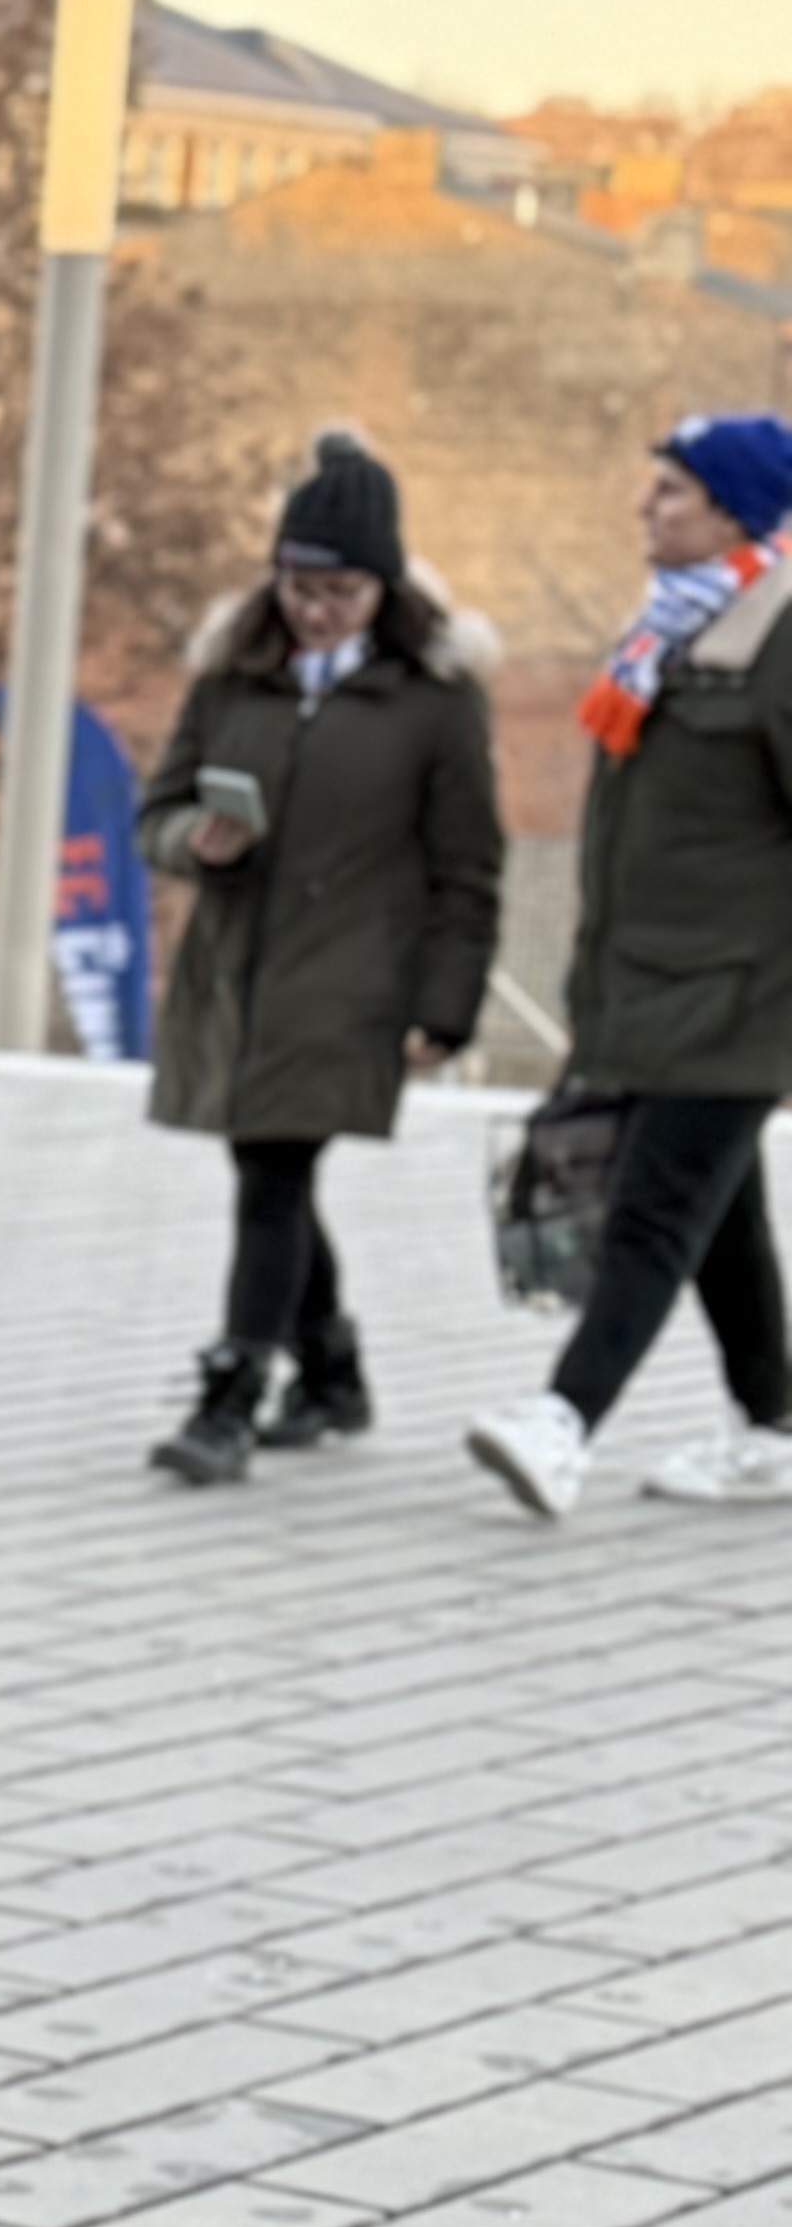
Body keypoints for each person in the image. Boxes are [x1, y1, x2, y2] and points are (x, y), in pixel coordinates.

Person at [137, 433, 504, 1485]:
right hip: (235, 972)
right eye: (299, 586)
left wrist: (447, 1004)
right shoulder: (233, 681)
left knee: (273, 1171)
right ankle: (333, 1369)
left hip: (351, 978)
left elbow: (467, 867)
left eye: (340, 591)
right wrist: (192, 845)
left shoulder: (433, 704)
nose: (316, 610)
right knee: (272, 1171)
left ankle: (233, 1392)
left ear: (382, 589)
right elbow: (157, 809)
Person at [471, 411, 792, 1515]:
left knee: (655, 1212)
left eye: (672, 492)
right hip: (651, 982)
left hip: (746, 991)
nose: (645, 508)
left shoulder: (781, 636)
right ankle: (774, 1425)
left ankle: (564, 1422)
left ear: (735, 513)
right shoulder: (668, 635)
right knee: (718, 1213)